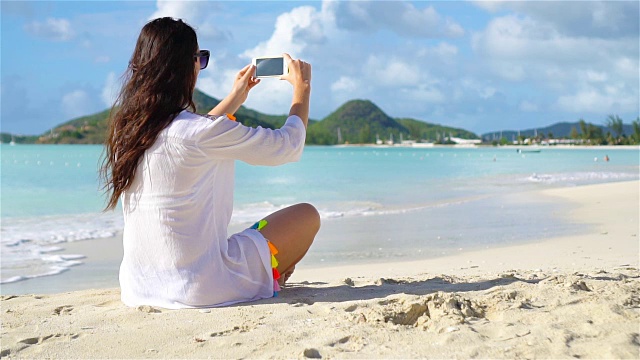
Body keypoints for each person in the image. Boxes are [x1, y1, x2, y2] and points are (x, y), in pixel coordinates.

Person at [101, 17, 320, 308]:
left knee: (259, 237)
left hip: (138, 289)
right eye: (200, 58)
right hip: (201, 287)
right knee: (306, 215)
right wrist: (301, 89)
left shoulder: (127, 132)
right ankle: (268, 277)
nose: (200, 67)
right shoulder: (200, 132)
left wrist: (236, 96)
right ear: (187, 65)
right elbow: (288, 146)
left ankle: (268, 274)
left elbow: (193, 135)